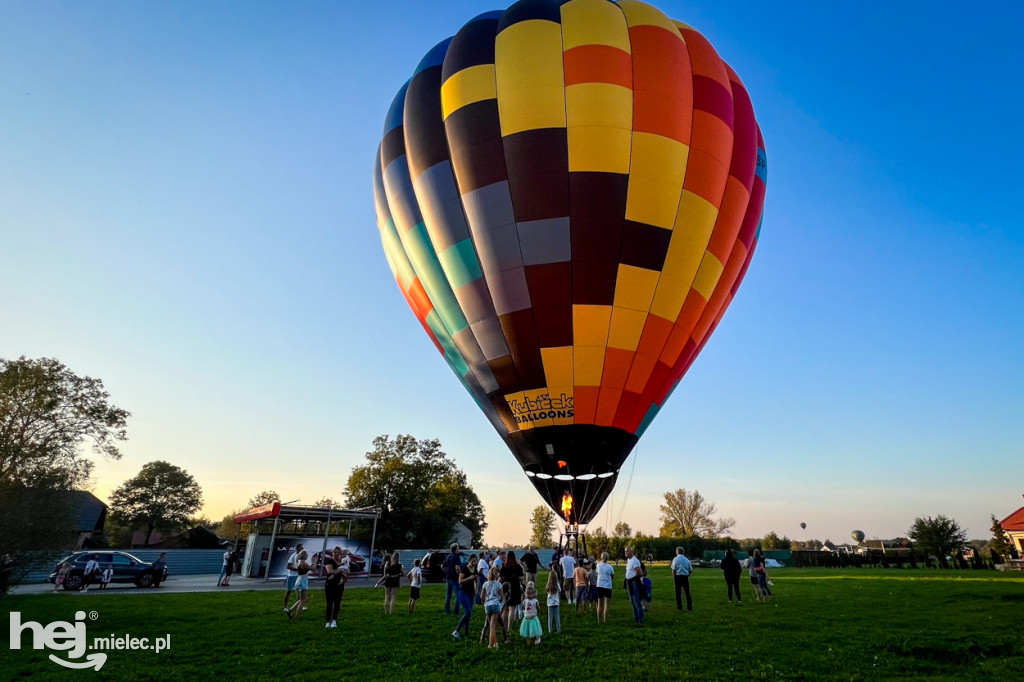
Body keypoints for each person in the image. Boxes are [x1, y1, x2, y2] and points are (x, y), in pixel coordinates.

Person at [452, 555, 478, 639]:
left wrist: (476, 590)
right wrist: (469, 578)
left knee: (469, 614)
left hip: (471, 593)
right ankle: (456, 631)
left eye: (475, 561)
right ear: (469, 561)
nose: (474, 563)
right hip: (463, 592)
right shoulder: (464, 569)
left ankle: (466, 632)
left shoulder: (475, 569)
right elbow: (460, 581)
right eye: (472, 561)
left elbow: (477, 581)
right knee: (468, 612)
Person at [323, 546, 348, 628]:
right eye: (335, 552)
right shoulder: (329, 561)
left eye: (338, 552)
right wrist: (338, 571)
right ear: (332, 553)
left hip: (340, 584)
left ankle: (334, 620)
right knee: (329, 603)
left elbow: (347, 571)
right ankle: (328, 621)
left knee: (337, 603)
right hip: (330, 584)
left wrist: (344, 572)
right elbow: (329, 571)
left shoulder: (343, 562)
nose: (337, 554)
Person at [499, 551, 524, 632]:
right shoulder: (518, 567)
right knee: (512, 608)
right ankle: (509, 628)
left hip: (506, 588)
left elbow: (500, 579)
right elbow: (521, 578)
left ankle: (503, 626)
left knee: (505, 608)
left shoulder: (504, 567)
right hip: (515, 588)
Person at [479, 566, 505, 648]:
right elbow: (501, 597)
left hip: (487, 605)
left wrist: (484, 602)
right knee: (493, 626)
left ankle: (495, 643)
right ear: (497, 575)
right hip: (495, 605)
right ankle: (490, 645)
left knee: (490, 624)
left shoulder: (485, 584)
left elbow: (481, 596)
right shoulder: (499, 584)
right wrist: (498, 602)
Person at [286, 550, 311, 619]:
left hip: (299, 580)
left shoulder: (299, 561)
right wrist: (315, 560)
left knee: (301, 599)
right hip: (303, 581)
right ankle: (295, 617)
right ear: (306, 556)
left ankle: (290, 610)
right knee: (303, 600)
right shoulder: (303, 563)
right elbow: (313, 568)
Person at [624, 546, 645, 624]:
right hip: (629, 582)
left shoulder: (634, 561)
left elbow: (639, 572)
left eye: (627, 551)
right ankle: (636, 617)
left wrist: (634, 578)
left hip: (634, 582)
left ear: (631, 552)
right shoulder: (629, 560)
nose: (626, 553)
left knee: (636, 601)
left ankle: (640, 619)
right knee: (632, 602)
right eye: (625, 551)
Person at [671, 546, 693, 611]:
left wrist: (674, 577)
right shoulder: (687, 560)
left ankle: (679, 607)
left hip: (678, 576)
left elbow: (673, 569)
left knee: (678, 593)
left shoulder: (675, 559)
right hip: (685, 577)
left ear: (677, 552)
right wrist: (687, 575)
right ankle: (689, 607)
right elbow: (690, 570)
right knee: (687, 592)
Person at [284, 543, 304, 612]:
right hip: (292, 576)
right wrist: (297, 569)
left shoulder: (302, 557)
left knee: (299, 591)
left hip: (299, 576)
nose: (302, 549)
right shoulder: (293, 556)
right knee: (289, 591)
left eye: (302, 548)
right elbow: (288, 566)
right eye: (301, 548)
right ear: (297, 549)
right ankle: (285, 607)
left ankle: (298, 606)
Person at [595, 551, 614, 624]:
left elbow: (597, 573)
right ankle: (605, 621)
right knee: (606, 605)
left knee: (599, 604)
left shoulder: (598, 565)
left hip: (599, 585)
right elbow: (612, 576)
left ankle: (599, 621)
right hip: (607, 586)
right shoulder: (610, 566)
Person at [444, 543, 462, 616]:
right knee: (458, 595)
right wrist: (460, 575)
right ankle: (456, 611)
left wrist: (447, 572)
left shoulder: (448, 556)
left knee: (448, 595)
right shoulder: (456, 556)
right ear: (456, 548)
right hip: (454, 578)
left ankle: (447, 610)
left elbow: (442, 566)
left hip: (448, 577)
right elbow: (457, 567)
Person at [545, 570, 561, 634]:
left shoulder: (548, 584)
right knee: (557, 617)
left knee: (550, 618)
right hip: (556, 602)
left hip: (550, 603)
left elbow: (546, 591)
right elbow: (560, 590)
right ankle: (558, 630)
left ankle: (550, 630)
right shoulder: (557, 584)